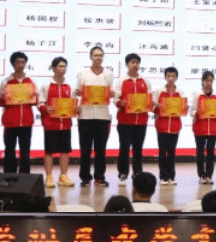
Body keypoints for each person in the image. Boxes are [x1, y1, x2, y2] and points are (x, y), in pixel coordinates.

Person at [76, 46, 113, 187]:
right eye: (96, 55)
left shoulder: (108, 74)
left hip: (103, 116)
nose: (98, 58)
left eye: (100, 55)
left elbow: (110, 92)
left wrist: (111, 94)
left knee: (100, 150)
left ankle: (99, 177)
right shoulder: (83, 73)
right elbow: (77, 91)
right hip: (85, 116)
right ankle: (85, 177)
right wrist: (79, 92)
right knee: (85, 150)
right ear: (91, 57)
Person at [114, 53, 153, 186]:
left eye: (137, 62)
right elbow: (116, 100)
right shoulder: (122, 81)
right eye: (132, 62)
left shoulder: (145, 81)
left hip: (141, 121)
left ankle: (137, 173)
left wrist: (150, 103)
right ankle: (123, 174)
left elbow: (150, 98)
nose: (135, 65)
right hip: (125, 121)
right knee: (124, 149)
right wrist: (121, 103)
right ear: (127, 64)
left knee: (138, 149)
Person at [38, 57, 75, 189]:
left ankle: (63, 176)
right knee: (49, 151)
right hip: (50, 124)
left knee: (65, 151)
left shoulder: (70, 86)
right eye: (60, 66)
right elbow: (40, 103)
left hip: (65, 124)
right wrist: (45, 108)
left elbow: (73, 103)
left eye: (64, 66)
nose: (62, 69)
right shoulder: (46, 86)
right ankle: (49, 176)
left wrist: (76, 109)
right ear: (53, 68)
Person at [0, 51, 37, 174]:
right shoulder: (6, 82)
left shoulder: (30, 81)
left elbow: (35, 102)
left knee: (25, 151)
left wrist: (34, 96)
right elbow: (0, 103)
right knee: (9, 150)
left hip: (26, 121)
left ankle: (25, 177)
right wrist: (3, 97)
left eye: (23, 62)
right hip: (10, 121)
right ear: (13, 64)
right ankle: (9, 176)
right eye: (17, 62)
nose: (21, 65)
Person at [153, 67, 183, 185]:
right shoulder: (159, 91)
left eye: (173, 76)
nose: (171, 78)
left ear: (176, 78)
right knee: (162, 152)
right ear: (165, 77)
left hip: (175, 127)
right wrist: (158, 107)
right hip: (162, 126)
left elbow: (182, 110)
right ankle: (163, 176)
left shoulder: (180, 92)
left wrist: (184, 108)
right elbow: (152, 108)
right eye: (168, 76)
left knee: (172, 153)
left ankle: (171, 176)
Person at [191, 71, 216, 184]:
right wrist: (196, 112)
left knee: (211, 152)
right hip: (200, 127)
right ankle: (201, 175)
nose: (209, 83)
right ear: (202, 81)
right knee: (200, 152)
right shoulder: (197, 95)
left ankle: (209, 175)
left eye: (211, 81)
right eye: (207, 80)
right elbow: (191, 111)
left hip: (213, 128)